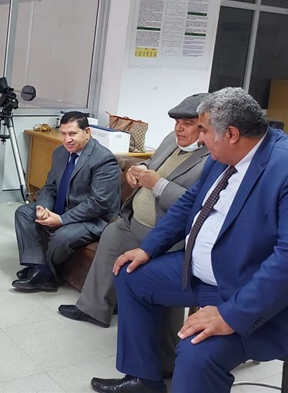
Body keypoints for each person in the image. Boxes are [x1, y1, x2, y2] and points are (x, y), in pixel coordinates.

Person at [91, 87, 288, 393]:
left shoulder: (282, 167)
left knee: (197, 353)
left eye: (204, 130)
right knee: (131, 275)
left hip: (246, 288)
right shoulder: (221, 157)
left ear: (232, 134)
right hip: (197, 271)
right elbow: (189, 204)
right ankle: (144, 379)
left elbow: (286, 259)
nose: (201, 139)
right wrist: (148, 249)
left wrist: (231, 315)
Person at [58, 94, 210, 373]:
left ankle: (166, 359)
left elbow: (197, 205)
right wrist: (138, 170)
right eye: (177, 122)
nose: (179, 128)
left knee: (161, 285)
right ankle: (93, 308)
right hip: (133, 219)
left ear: (205, 126)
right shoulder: (171, 139)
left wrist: (158, 184)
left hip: (167, 234)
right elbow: (152, 165)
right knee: (111, 238)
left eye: (188, 124)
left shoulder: (212, 157)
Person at [13, 111, 121, 292]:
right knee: (23, 213)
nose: (67, 139)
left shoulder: (104, 159)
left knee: (62, 236)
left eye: (72, 134)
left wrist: (61, 219)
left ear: (87, 132)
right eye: (63, 134)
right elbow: (50, 186)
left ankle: (45, 272)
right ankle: (40, 268)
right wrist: (43, 209)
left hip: (93, 218)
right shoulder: (60, 153)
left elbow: (99, 203)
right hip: (63, 208)